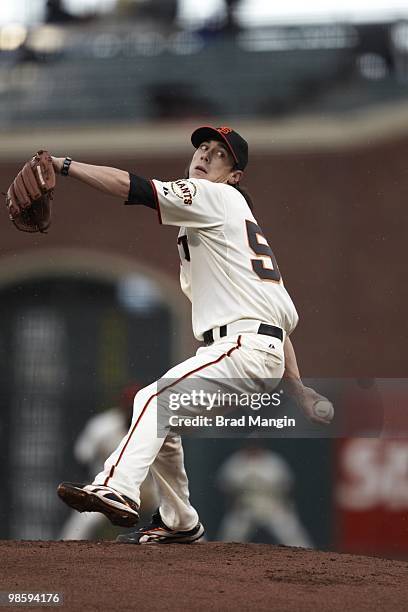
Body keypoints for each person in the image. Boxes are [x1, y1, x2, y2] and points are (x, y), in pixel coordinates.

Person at [55, 125, 332, 545]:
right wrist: (298, 389)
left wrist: (65, 165)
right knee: (164, 423)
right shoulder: (233, 229)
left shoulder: (214, 196)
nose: (205, 155)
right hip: (255, 348)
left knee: (152, 399)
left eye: (219, 153)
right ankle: (181, 521)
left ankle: (116, 488)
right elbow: (273, 320)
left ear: (233, 175)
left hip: (241, 347)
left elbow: (135, 188)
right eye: (202, 147)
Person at [59, 383, 159, 540]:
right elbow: (82, 457)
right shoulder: (103, 426)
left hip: (148, 489)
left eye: (135, 406)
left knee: (177, 515)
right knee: (82, 523)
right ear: (122, 406)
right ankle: (62, 551)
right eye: (129, 406)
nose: (132, 410)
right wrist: (90, 484)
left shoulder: (154, 426)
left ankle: (199, 549)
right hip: (110, 488)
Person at [216, 441, 312, 547]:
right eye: (251, 445)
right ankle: (220, 560)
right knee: (231, 535)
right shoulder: (236, 461)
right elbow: (225, 486)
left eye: (256, 445)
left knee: (292, 534)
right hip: (245, 506)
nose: (253, 448)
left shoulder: (274, 461)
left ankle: (309, 559)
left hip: (272, 505)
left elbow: (287, 485)